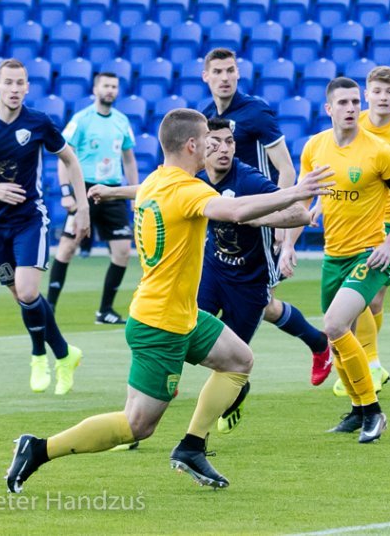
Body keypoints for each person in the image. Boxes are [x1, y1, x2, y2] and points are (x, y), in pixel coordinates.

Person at [4, 108, 334, 494]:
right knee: (136, 425)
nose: (213, 150)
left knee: (239, 359)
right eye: (208, 143)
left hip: (181, 315)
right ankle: (39, 449)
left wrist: (111, 191)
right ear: (192, 145)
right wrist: (295, 190)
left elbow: (218, 207)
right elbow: (235, 210)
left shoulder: (157, 182)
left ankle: (192, 447)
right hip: (160, 325)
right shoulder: (188, 190)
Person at [90, 117, 332, 439]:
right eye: (213, 141)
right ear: (199, 146)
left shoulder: (248, 180)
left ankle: (311, 346)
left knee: (238, 356)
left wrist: (259, 217)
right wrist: (112, 192)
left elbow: (299, 214)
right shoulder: (194, 177)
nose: (220, 148)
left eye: (229, 142)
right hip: (213, 270)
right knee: (182, 331)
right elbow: (155, 187)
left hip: (249, 278)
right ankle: (159, 420)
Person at [282, 77, 390, 443]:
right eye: (342, 103)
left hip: (370, 254)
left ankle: (374, 412)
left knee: (334, 324)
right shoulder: (314, 147)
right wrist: (288, 246)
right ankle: (358, 411)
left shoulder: (379, 152)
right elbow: (304, 201)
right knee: (340, 334)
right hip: (334, 256)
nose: (350, 108)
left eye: (355, 102)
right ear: (328, 109)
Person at [0, 59, 89, 395]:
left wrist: (82, 206)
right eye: (8, 83)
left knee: (28, 291)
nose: (14, 89)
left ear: (28, 87)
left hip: (30, 218)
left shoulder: (39, 123)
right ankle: (65, 353)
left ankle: (38, 355)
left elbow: (70, 159)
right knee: (21, 297)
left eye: (20, 83)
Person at [201, 48, 333, 386]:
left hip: (257, 218)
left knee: (259, 303)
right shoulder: (204, 119)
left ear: (239, 74)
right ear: (206, 76)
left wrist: (279, 230)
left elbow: (286, 169)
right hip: (224, 218)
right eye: (217, 71)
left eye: (230, 70)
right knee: (264, 305)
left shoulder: (255, 112)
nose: (225, 77)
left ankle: (234, 381)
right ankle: (318, 342)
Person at [322, 65, 390, 397]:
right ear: (367, 94)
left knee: (374, 297)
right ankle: (366, 362)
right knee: (359, 301)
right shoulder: (352, 124)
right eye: (377, 92)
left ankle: (368, 361)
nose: (383, 98)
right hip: (353, 219)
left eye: (389, 92)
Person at [47, 73, 138, 325]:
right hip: (84, 190)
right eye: (106, 86)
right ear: (96, 89)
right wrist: (67, 192)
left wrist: (134, 192)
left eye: (114, 86)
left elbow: (129, 159)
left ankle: (105, 311)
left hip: (113, 191)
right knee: (67, 248)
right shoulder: (81, 119)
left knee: (122, 251)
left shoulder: (121, 121)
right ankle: (49, 309)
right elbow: (65, 157)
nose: (110, 90)